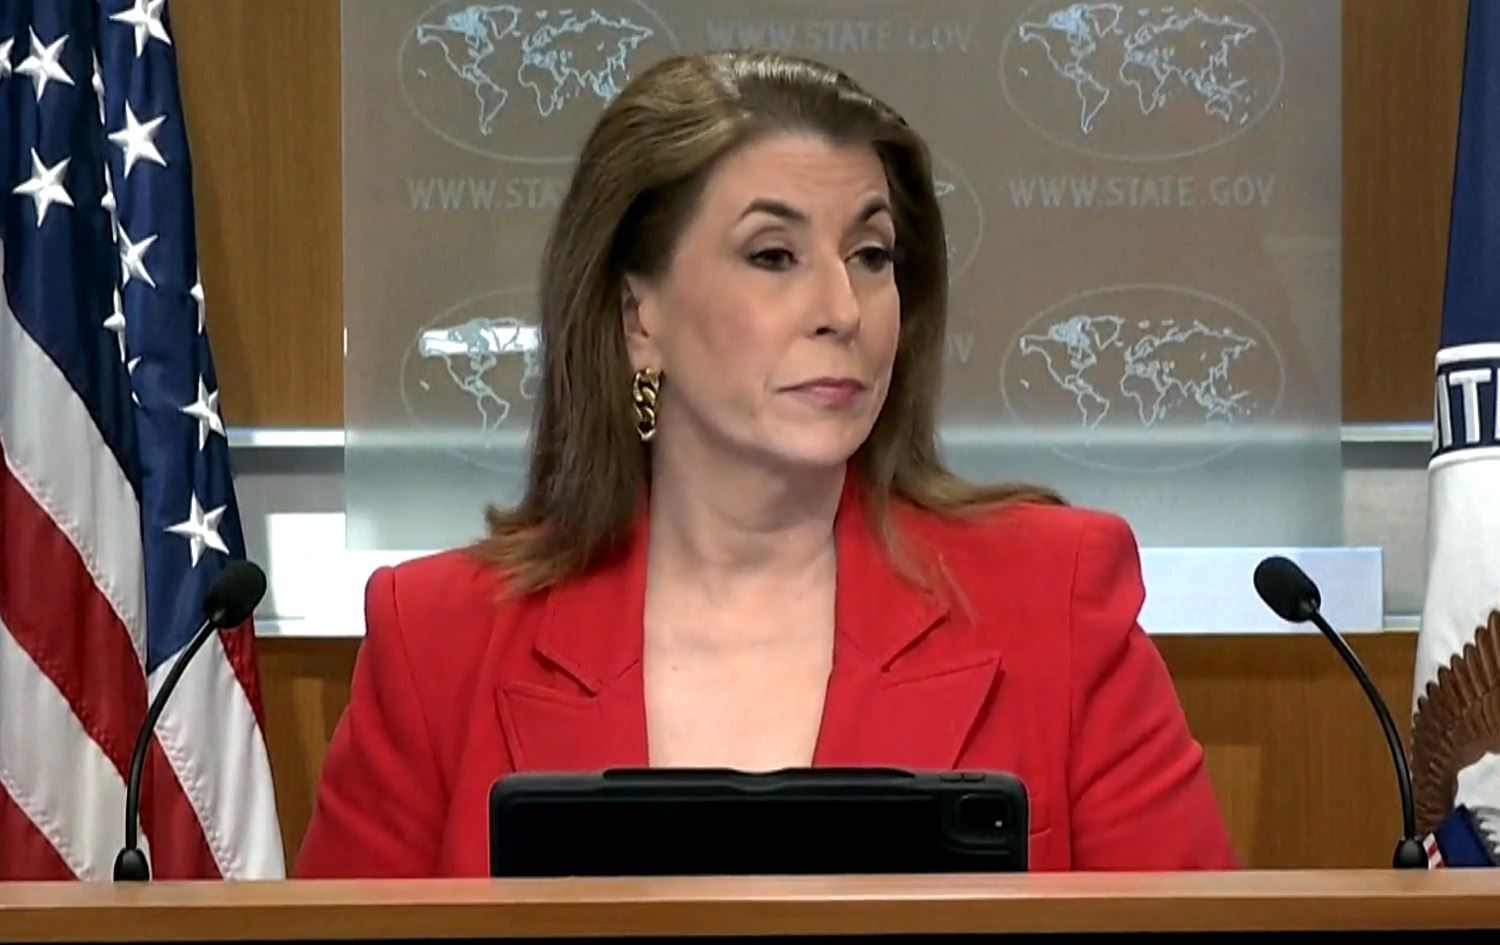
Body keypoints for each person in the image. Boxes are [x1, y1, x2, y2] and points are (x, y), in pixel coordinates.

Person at [296, 49, 1237, 876]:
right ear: (638, 318)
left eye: (872, 254)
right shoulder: (439, 640)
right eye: (775, 255)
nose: (843, 308)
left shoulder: (1055, 600)